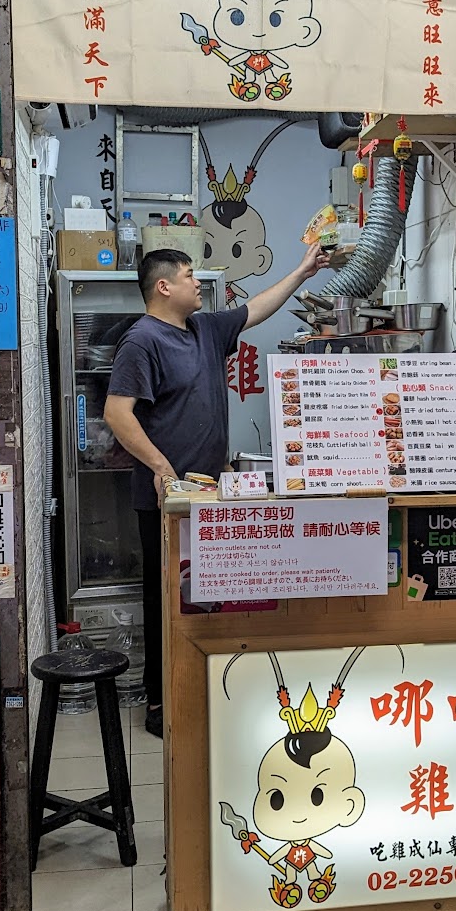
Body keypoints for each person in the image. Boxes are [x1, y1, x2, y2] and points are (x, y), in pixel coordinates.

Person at [104, 242, 327, 736]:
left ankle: (206, 692)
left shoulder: (205, 329)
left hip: (211, 493)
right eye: (190, 274)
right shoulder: (142, 341)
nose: (199, 281)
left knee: (211, 597)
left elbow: (256, 309)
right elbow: (117, 414)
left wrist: (302, 271)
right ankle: (162, 704)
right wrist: (163, 468)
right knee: (168, 599)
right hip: (168, 500)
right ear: (164, 286)